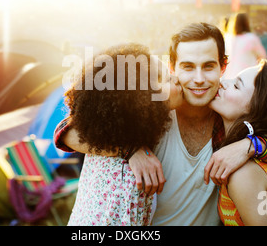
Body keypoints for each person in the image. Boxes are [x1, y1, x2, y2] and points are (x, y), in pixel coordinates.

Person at [56, 22, 267, 225]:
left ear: (223, 67)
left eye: (208, 66)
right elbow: (68, 131)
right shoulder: (150, 116)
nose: (199, 79)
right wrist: (129, 150)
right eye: (188, 67)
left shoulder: (232, 119)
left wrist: (250, 146)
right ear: (173, 67)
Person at [58, 43, 183, 225]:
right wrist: (129, 151)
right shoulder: (130, 179)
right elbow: (64, 130)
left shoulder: (106, 135)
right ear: (139, 100)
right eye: (164, 80)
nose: (176, 79)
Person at [210, 60, 267, 225]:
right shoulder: (266, 159)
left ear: (256, 109)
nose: (223, 83)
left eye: (236, 86)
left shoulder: (244, 174)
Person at [224, 13, 267, 79]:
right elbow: (263, 57)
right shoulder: (251, 38)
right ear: (246, 23)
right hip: (247, 78)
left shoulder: (227, 38)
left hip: (229, 77)